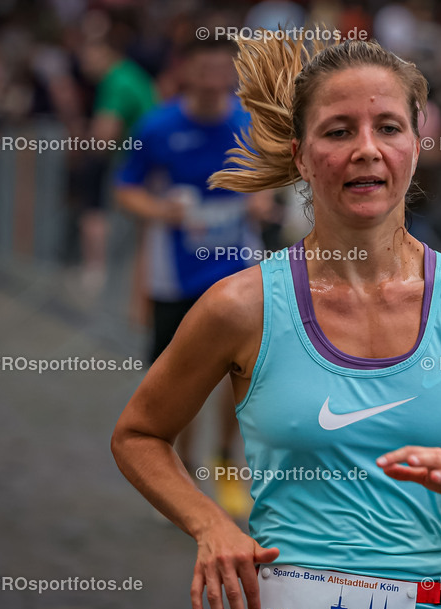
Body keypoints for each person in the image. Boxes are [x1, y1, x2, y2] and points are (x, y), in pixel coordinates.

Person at [110, 37, 441, 609]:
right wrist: (210, 525)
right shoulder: (241, 305)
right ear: (299, 153)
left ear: (416, 144)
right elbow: (139, 433)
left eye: (388, 127)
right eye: (337, 130)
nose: (366, 148)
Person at [114, 37, 272, 519]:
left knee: (240, 372)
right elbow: (126, 189)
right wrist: (160, 210)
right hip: (174, 274)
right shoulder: (158, 126)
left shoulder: (249, 123)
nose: (212, 79)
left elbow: (271, 180)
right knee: (175, 379)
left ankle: (226, 460)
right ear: (187, 71)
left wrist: (262, 198)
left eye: (221, 69)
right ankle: (179, 468)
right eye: (203, 68)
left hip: (237, 266)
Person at [75, 12, 159, 296]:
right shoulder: (130, 74)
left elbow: (102, 138)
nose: (82, 61)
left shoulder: (116, 80)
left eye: (87, 53)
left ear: (104, 51)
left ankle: (99, 278)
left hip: (134, 167)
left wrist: (78, 144)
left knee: (98, 212)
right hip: (147, 164)